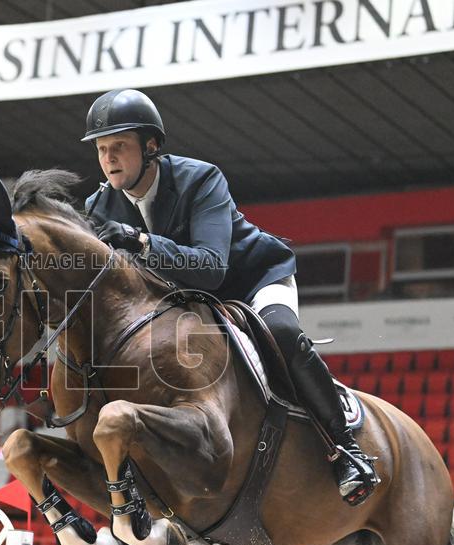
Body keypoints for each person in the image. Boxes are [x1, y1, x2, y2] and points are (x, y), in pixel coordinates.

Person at [82, 88, 379, 506]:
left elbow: (211, 267)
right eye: (101, 149)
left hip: (250, 283)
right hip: (184, 304)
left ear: (150, 146)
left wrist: (141, 241)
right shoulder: (98, 205)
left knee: (281, 334)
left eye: (119, 147)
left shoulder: (200, 179)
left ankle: (344, 447)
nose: (109, 158)